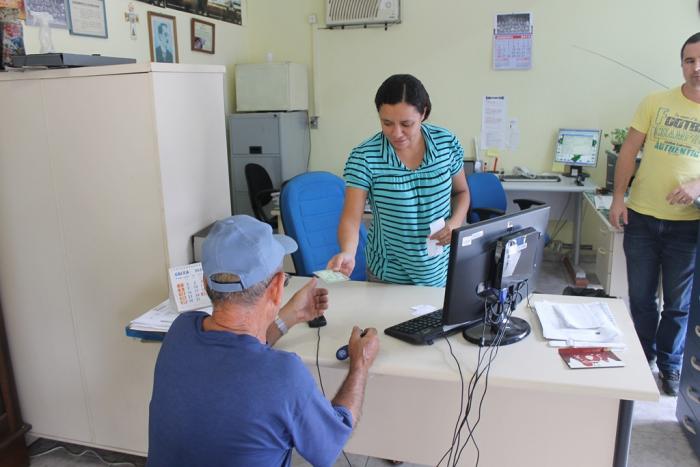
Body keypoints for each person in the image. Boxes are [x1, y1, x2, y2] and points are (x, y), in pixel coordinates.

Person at [148, 215, 380, 466]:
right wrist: (360, 364)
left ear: (205, 284)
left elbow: (238, 353)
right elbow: (331, 443)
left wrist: (289, 317)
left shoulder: (180, 332)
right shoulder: (284, 374)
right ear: (278, 286)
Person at [608, 32, 700, 396]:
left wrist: (697, 186)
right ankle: (642, 358)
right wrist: (618, 197)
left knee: (678, 306)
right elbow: (629, 151)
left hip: (688, 226)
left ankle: (671, 365)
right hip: (643, 219)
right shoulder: (655, 102)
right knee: (643, 299)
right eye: (689, 61)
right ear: (681, 65)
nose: (697, 68)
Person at [328, 74, 470, 286]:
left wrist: (455, 223)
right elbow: (351, 218)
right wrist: (348, 252)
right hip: (388, 274)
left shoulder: (446, 143)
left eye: (406, 124)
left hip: (441, 268)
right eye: (387, 123)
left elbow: (462, 193)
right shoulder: (365, 157)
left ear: (424, 113)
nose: (396, 133)